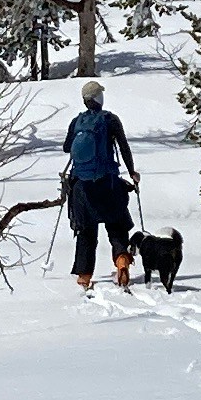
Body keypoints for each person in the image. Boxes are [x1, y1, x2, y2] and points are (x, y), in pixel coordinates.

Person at [59, 78, 139, 293]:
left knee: (86, 231)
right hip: (108, 182)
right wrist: (132, 173)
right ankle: (122, 260)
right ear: (98, 98)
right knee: (117, 224)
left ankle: (84, 276)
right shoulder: (110, 119)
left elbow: (67, 148)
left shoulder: (77, 121)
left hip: (81, 186)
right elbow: (123, 147)